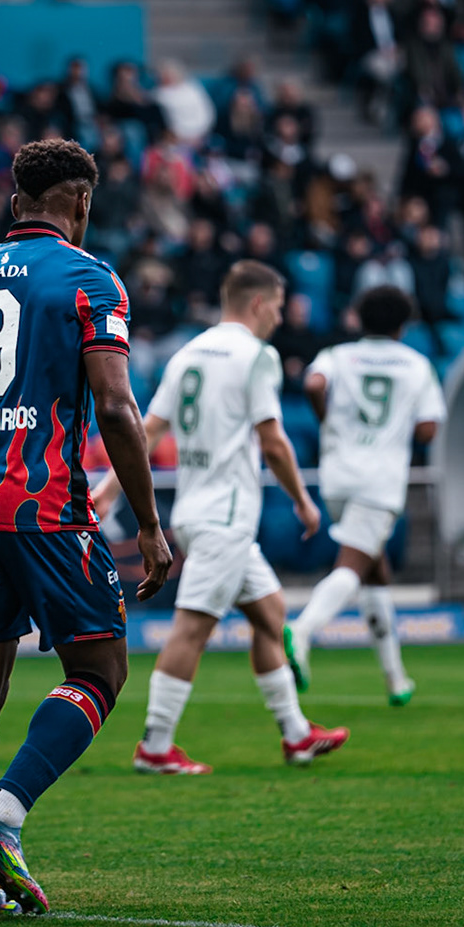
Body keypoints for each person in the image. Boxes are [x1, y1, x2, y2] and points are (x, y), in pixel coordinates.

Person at [0, 139, 172, 918]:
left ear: (16, 203)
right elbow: (115, 406)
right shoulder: (89, 277)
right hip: (42, 505)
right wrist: (148, 524)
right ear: (81, 204)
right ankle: (4, 815)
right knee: (100, 672)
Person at [96, 258, 346, 778]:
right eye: (277, 307)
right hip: (226, 516)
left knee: (270, 614)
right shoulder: (257, 356)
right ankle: (156, 746)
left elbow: (151, 428)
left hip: (195, 509)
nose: (279, 317)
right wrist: (302, 498)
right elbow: (273, 439)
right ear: (257, 304)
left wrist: (108, 489)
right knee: (192, 628)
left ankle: (297, 735)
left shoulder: (189, 351)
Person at [286, 287, 445, 702]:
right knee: (354, 565)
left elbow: (313, 383)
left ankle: (396, 679)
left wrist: (330, 424)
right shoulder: (416, 364)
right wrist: (395, 430)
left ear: (359, 318)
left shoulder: (339, 355)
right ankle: (301, 632)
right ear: (403, 324)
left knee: (376, 573)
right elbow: (429, 428)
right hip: (380, 479)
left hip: (338, 472)